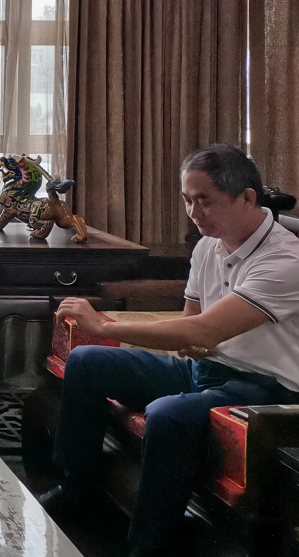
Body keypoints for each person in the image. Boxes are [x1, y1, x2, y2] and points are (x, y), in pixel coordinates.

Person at [39, 144, 299, 557]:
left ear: (247, 198)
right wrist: (192, 339)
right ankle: (79, 486)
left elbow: (203, 328)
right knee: (88, 361)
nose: (194, 212)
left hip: (260, 387)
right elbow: (192, 320)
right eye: (187, 200)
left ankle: (150, 543)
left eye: (205, 201)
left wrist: (104, 326)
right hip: (206, 367)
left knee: (167, 414)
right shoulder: (208, 245)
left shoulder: (285, 260)